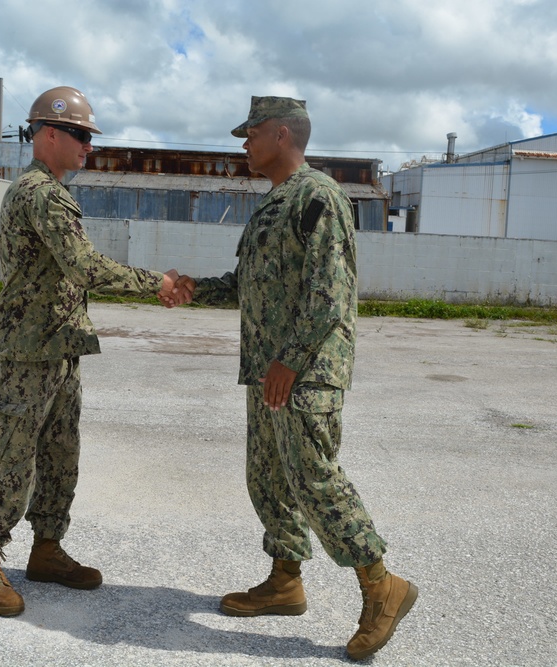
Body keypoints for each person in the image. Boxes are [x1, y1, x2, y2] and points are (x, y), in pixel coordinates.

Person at [179, 96, 418, 661]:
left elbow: (330, 292)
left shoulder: (319, 196)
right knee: (267, 477)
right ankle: (285, 580)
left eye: (252, 134)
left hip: (306, 370)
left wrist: (289, 360)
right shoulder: (273, 204)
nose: (244, 144)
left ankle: (382, 585)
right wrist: (189, 288)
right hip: (269, 370)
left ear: (282, 135)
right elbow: (245, 285)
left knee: (314, 478)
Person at [0, 85, 191, 617]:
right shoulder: (41, 193)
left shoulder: (53, 191)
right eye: (81, 135)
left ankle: (46, 551)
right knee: (11, 459)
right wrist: (156, 282)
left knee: (61, 455)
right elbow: (85, 266)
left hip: (58, 348)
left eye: (89, 136)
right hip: (25, 355)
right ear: (49, 134)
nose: (89, 145)